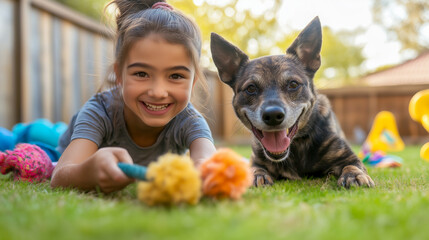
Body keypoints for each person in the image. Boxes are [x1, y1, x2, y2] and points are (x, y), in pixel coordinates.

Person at [50, 0, 216, 193]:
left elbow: (207, 162)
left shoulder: (190, 120)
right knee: (37, 139)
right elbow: (59, 176)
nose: (158, 92)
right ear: (119, 75)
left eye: (176, 76)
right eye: (141, 74)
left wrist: (205, 173)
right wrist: (88, 171)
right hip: (63, 144)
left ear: (193, 82)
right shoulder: (100, 111)